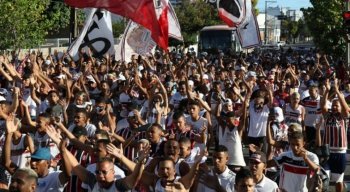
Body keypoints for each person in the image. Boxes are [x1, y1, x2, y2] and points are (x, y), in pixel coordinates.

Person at [320, 78, 349, 192]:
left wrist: (337, 91)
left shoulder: (343, 117)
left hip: (340, 152)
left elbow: (346, 109)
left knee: (338, 181)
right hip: (327, 152)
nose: (334, 107)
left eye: (337, 105)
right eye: (333, 105)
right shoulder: (328, 115)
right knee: (323, 179)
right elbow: (322, 106)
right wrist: (327, 90)